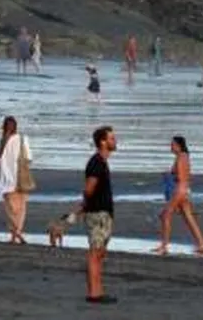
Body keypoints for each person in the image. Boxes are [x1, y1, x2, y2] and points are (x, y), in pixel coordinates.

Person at [75, 126, 117, 304]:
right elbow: (89, 188)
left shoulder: (101, 162)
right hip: (97, 214)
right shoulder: (96, 163)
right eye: (112, 138)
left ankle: (98, 290)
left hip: (103, 213)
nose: (115, 141)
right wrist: (85, 205)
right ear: (102, 141)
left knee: (100, 253)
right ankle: (94, 293)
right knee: (95, 253)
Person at [152, 136, 203, 256]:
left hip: (179, 190)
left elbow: (181, 177)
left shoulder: (181, 157)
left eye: (172, 145)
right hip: (185, 190)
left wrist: (171, 178)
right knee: (189, 218)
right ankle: (201, 245)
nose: (170, 147)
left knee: (165, 215)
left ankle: (164, 246)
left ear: (178, 145)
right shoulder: (184, 156)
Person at [0, 116, 34, 244]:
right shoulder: (23, 139)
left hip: (6, 179)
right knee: (21, 207)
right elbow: (29, 158)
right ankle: (17, 232)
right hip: (20, 177)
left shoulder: (2, 142)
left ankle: (14, 234)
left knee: (10, 208)